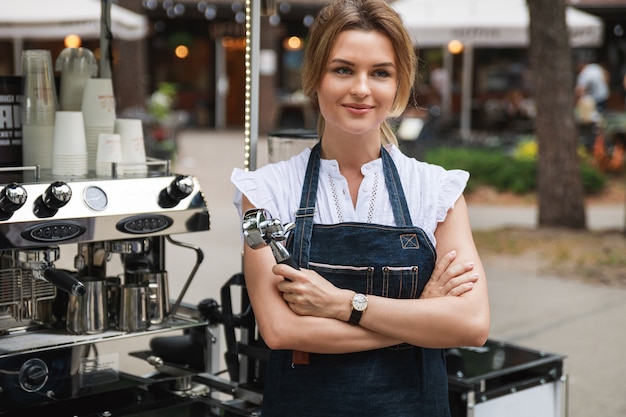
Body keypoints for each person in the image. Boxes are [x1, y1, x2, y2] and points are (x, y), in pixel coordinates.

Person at [230, 0, 490, 415]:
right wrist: (422, 319)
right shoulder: (263, 192)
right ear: (315, 76)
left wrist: (343, 305)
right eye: (343, 69)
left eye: (381, 73)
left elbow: (472, 325)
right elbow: (279, 331)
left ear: (399, 84)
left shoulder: (437, 190)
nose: (362, 89)